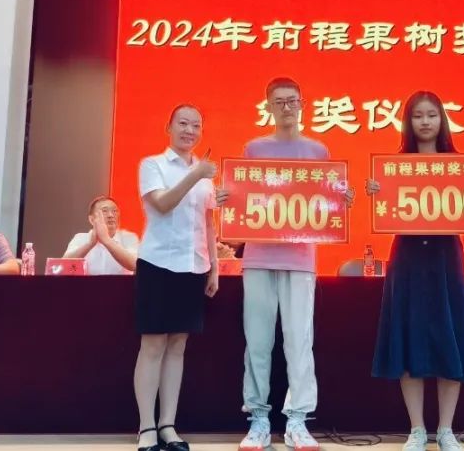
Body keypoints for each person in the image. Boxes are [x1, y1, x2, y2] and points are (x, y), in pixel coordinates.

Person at [366, 91, 464, 451]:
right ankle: (417, 429)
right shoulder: (394, 166)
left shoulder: (462, 166)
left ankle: (446, 430)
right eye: (418, 116)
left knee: (451, 337)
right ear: (408, 122)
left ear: (442, 120)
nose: (425, 122)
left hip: (446, 258)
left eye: (431, 115)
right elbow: (387, 208)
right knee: (408, 336)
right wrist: (376, 191)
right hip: (408, 257)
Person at [237, 77, 354, 451]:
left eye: (292, 101)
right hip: (258, 256)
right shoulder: (254, 148)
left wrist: (341, 200)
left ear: (302, 104)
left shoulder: (318, 150)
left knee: (299, 341)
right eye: (279, 102)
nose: (286, 107)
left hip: (301, 258)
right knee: (258, 340)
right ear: (268, 107)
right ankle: (258, 418)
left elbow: (325, 200)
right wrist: (227, 197)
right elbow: (243, 195)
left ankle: (297, 420)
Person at [117, 104, 226, 451]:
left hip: (194, 266)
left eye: (196, 126)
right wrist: (197, 175)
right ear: (169, 127)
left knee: (178, 346)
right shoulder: (153, 165)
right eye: (183, 123)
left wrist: (214, 266)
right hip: (158, 264)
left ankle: (168, 425)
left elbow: (208, 223)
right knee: (153, 345)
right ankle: (146, 427)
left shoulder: (205, 175)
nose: (189, 131)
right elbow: (162, 204)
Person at [63, 196, 139, 275]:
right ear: (92, 219)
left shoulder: (129, 237)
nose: (111, 215)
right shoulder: (80, 238)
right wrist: (89, 244)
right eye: (104, 211)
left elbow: (134, 265)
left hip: (121, 283)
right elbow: (64, 265)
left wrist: (106, 240)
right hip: (87, 283)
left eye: (115, 211)